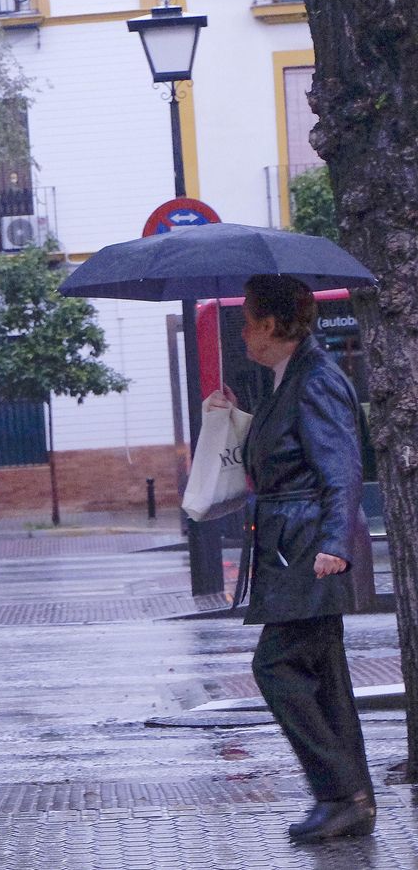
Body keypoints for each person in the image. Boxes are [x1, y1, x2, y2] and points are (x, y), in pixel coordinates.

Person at [225, 274, 376, 843]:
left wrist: (335, 545)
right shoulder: (288, 378)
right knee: (324, 677)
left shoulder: (314, 378)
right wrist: (235, 419)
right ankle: (350, 802)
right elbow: (279, 457)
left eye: (246, 321)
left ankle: (339, 792)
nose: (242, 333)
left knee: (277, 666)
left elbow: (341, 469)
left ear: (269, 324)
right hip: (296, 546)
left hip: (310, 549)